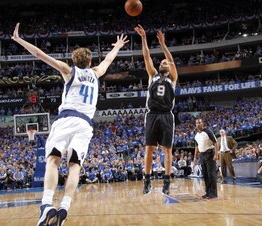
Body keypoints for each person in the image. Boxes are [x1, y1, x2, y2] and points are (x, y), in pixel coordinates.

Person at [12, 23, 129, 226]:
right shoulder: (96, 73)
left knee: (53, 160)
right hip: (85, 125)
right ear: (90, 60)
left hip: (66, 119)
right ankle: (65, 206)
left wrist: (19, 39)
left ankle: (47, 205)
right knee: (74, 166)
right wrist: (117, 46)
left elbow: (40, 54)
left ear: (74, 60)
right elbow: (108, 60)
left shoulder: (68, 70)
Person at [134, 24, 178, 195]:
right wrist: (144, 38)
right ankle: (147, 181)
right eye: (162, 62)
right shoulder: (152, 75)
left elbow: (172, 60)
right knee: (149, 149)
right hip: (152, 115)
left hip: (167, 115)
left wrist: (163, 45)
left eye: (166, 62)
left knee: (167, 150)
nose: (164, 62)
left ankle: (166, 182)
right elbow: (146, 57)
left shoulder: (173, 78)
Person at [193, 118, 218, 199]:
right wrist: (195, 157)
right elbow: (196, 147)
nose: (198, 124)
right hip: (202, 155)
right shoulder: (196, 135)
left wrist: (216, 154)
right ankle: (207, 192)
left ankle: (213, 193)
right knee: (205, 175)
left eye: (199, 122)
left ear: (202, 123)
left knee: (211, 175)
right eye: (197, 123)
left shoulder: (208, 131)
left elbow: (216, 142)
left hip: (210, 154)